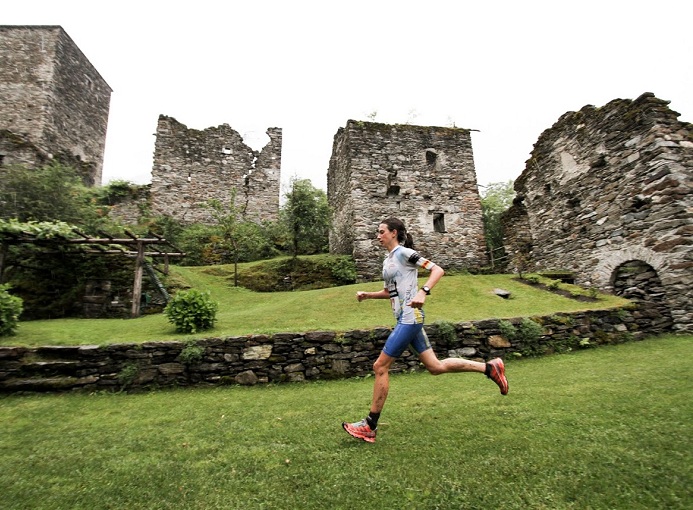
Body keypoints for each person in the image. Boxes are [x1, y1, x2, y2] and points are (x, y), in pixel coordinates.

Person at [342, 217, 508, 443]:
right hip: (404, 317)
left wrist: (423, 291)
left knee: (380, 366)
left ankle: (369, 425)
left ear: (394, 232)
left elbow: (437, 270)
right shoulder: (388, 260)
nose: (378, 236)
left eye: (381, 232)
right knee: (435, 366)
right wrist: (368, 295)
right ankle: (490, 368)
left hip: (411, 318)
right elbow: (390, 292)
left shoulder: (404, 253)